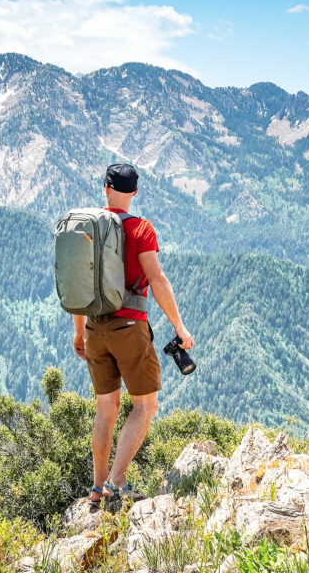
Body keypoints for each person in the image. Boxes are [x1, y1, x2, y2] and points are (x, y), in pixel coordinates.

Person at [72, 163, 194, 503]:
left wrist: (79, 331)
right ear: (135, 192)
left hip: (95, 326)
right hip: (129, 327)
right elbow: (156, 279)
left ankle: (97, 488)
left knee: (105, 408)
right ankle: (117, 481)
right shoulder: (141, 229)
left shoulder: (89, 229)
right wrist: (179, 327)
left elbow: (82, 284)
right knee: (145, 406)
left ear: (105, 187)